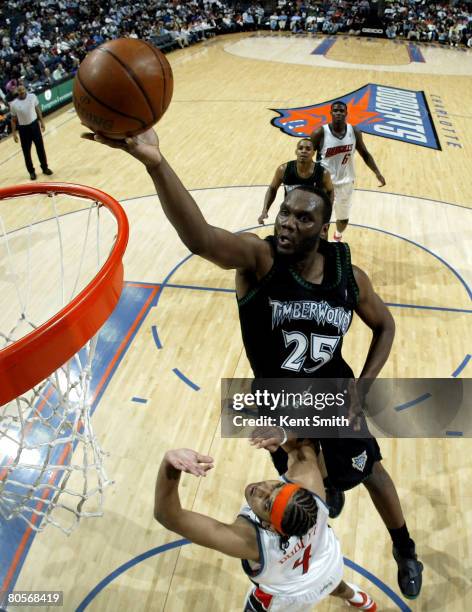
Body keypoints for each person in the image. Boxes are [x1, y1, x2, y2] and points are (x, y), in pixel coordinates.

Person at [82, 128, 422, 599]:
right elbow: (200, 238)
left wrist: (362, 387)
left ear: (322, 229)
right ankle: (329, 489)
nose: (287, 223)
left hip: (335, 397)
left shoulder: (348, 275)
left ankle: (404, 547)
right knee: (300, 474)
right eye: (285, 212)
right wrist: (155, 163)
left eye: (303, 218)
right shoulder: (259, 260)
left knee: (370, 472)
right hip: (279, 403)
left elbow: (385, 326)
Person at [154, 438, 377, 610]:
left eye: (266, 504)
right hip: (327, 562)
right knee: (332, 584)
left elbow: (169, 516)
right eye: (275, 487)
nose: (260, 489)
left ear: (270, 527)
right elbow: (304, 444)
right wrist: (282, 436)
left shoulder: (251, 540)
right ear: (296, 489)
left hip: (287, 598)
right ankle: (359, 599)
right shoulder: (309, 495)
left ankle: (357, 598)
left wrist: (170, 466)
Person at [310, 101, 385, 241]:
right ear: (331, 113)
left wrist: (377, 172)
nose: (338, 113)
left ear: (346, 113)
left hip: (346, 182)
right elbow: (307, 157)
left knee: (343, 220)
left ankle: (337, 236)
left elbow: (365, 154)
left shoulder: (354, 131)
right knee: (322, 220)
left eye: (341, 111)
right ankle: (322, 249)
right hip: (324, 184)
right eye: (336, 110)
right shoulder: (320, 132)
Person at [258, 138, 334, 226]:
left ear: (313, 153)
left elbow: (330, 191)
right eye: (300, 148)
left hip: (312, 215)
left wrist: (326, 214)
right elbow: (272, 188)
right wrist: (265, 210)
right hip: (289, 212)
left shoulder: (323, 173)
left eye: (308, 149)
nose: (303, 151)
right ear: (296, 151)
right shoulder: (283, 169)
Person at [10, 85, 53, 180]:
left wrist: (42, 122)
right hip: (23, 129)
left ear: (25, 89)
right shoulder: (13, 104)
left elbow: (38, 109)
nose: (21, 91)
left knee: (40, 149)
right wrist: (14, 133)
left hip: (34, 126)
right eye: (19, 90)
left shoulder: (32, 97)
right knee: (26, 153)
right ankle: (32, 172)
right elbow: (13, 120)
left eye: (22, 89)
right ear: (17, 91)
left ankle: (45, 168)